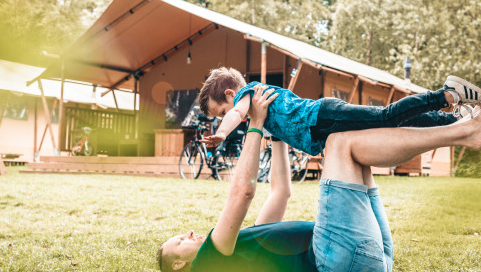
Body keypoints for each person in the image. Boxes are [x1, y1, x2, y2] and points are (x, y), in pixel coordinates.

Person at [157, 84, 481, 272]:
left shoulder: (248, 247)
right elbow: (243, 192)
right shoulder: (207, 266)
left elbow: (280, 193)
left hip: (370, 266)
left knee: (357, 156)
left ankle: (459, 130)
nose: (187, 233)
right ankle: (462, 131)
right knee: (337, 142)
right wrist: (254, 124)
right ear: (177, 265)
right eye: (178, 241)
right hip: (340, 266)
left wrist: (275, 134)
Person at [199, 67, 481, 155]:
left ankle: (446, 94)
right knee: (390, 125)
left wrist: (222, 133)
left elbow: (236, 115)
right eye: (221, 118)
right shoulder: (260, 107)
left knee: (387, 116)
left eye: (221, 111)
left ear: (231, 95)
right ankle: (452, 118)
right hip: (324, 125)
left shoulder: (249, 94)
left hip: (324, 116)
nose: (227, 116)